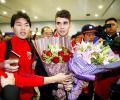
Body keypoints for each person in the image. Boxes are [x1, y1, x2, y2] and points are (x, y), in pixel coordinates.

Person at [0, 11, 72, 100]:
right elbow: (17, 77)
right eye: (19, 25)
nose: (23, 28)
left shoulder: (31, 47)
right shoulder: (5, 46)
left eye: (26, 25)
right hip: (12, 94)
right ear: (12, 28)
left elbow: (32, 72)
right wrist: (54, 80)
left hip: (29, 94)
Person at [35, 9, 73, 100]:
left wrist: (74, 83)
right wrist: (58, 85)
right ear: (55, 25)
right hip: (49, 95)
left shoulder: (75, 46)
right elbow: (39, 73)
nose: (62, 27)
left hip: (70, 94)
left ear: (70, 24)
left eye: (65, 23)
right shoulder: (46, 46)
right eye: (58, 23)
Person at [94, 17, 120, 100]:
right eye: (108, 25)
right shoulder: (100, 40)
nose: (110, 27)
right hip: (99, 83)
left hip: (115, 84)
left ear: (117, 26)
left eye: (113, 25)